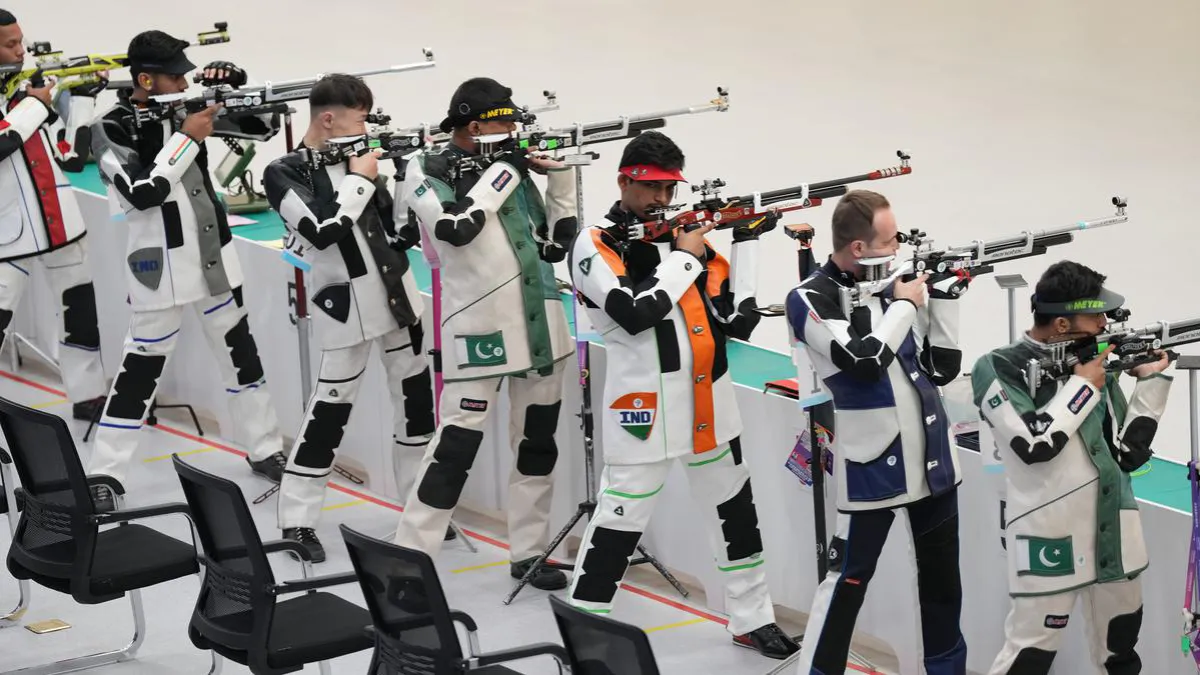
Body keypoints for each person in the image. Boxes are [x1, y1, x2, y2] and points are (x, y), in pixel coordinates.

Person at [566, 130, 800, 659]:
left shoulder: (681, 238)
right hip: (642, 411)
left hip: (711, 406)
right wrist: (686, 257)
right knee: (618, 525)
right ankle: (583, 626)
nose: (662, 201)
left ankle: (752, 619)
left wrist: (747, 241)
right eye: (651, 189)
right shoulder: (594, 242)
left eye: (670, 190)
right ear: (623, 180)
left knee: (736, 518)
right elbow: (633, 312)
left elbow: (735, 320)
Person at [86, 29, 287, 510]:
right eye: (176, 77)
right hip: (159, 267)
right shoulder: (108, 126)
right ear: (145, 80)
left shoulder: (182, 107)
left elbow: (263, 127)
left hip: (214, 259)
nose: (184, 83)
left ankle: (265, 447)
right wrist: (184, 139)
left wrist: (233, 87)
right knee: (139, 372)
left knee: (242, 360)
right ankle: (105, 474)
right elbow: (142, 191)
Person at [396, 76, 576, 590]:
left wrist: (559, 178)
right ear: (475, 125)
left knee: (537, 446)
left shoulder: (510, 168)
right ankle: (410, 558)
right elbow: (456, 228)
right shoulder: (425, 168)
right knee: (453, 448)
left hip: (543, 327)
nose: (516, 130)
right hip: (479, 330)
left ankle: (530, 551)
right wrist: (505, 171)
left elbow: (558, 241)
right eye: (505, 121)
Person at [785, 190, 968, 675]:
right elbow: (863, 360)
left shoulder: (887, 283)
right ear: (859, 248)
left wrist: (944, 299)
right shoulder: (810, 297)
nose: (899, 250)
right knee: (846, 583)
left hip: (932, 456)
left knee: (943, 585)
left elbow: (941, 367)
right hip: (874, 465)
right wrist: (905, 305)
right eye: (890, 240)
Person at [262, 73, 435, 562]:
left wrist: (404, 175)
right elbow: (322, 230)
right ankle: (296, 522)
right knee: (327, 416)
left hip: (399, 299)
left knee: (417, 410)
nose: (367, 129)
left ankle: (420, 511)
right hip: (345, 309)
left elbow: (400, 235)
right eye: (361, 119)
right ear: (328, 119)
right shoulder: (283, 172)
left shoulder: (358, 160)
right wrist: (361, 177)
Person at [972, 260, 1170, 674]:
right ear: (1062, 324)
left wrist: (1151, 381)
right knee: (1028, 657)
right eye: (1095, 314)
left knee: (1120, 657)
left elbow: (1126, 455)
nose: (1104, 322)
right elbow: (1032, 443)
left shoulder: (1091, 364)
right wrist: (1082, 387)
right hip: (1049, 540)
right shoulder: (998, 367)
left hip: (1116, 533)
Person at [0, 9, 107, 421]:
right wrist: (33, 105)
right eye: (10, 45)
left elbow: (73, 155)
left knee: (80, 316)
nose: (20, 51)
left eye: (21, 41)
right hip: (9, 233)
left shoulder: (31, 89)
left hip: (61, 224)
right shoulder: (29, 99)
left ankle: (89, 395)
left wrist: (80, 102)